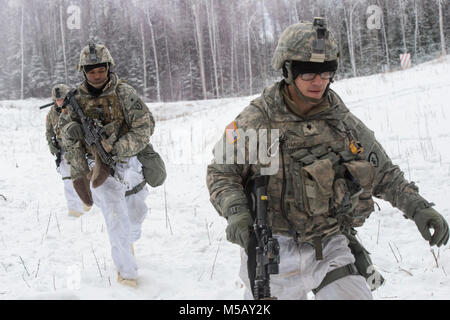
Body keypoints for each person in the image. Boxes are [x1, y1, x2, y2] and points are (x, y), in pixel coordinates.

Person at [206, 18, 449, 300]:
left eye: (325, 74)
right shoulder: (260, 120)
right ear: (287, 71)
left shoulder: (341, 122)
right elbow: (222, 172)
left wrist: (418, 208)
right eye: (308, 74)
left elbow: (383, 172)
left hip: (329, 245)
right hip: (273, 247)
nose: (318, 83)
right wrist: (236, 212)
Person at [59, 41, 162, 288]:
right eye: (91, 71)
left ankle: (130, 240)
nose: (97, 75)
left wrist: (116, 149)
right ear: (84, 72)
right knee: (116, 218)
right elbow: (64, 131)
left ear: (108, 67)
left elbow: (145, 127)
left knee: (136, 215)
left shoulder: (124, 93)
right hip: (98, 168)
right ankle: (127, 274)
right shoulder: (75, 100)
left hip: (130, 161)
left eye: (101, 70)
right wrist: (72, 131)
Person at [45, 83, 88, 217]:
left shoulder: (77, 109)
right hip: (63, 151)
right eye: (57, 100)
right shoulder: (51, 113)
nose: (59, 102)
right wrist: (52, 145)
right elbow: (49, 131)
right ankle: (74, 210)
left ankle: (88, 203)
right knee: (68, 181)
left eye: (62, 99)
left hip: (79, 150)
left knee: (85, 178)